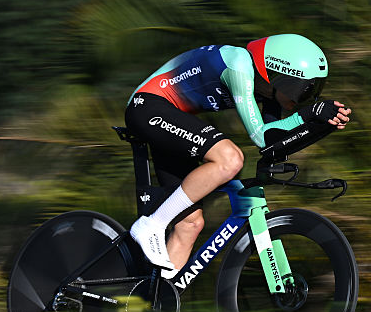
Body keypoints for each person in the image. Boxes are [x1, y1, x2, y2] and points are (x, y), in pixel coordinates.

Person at [126, 34, 352, 278]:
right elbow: (260, 135)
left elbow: (273, 143)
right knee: (230, 159)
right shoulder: (238, 64)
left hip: (171, 118)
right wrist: (310, 113)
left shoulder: (268, 92)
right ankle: (152, 224)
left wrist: (321, 125)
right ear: (278, 75)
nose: (303, 98)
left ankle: (156, 297)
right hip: (147, 107)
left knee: (190, 224)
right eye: (302, 90)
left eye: (313, 91)